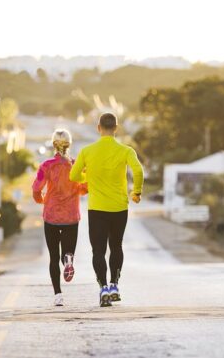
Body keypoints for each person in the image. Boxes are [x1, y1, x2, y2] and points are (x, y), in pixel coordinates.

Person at [70, 112, 144, 307]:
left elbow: (74, 175)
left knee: (98, 251)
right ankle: (114, 285)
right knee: (116, 246)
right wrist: (136, 192)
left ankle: (103, 288)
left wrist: (89, 178)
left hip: (97, 209)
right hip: (119, 207)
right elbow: (138, 171)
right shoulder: (126, 151)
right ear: (116, 129)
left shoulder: (87, 151)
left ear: (98, 128)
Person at [32, 129, 87, 306]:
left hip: (51, 216)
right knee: (67, 252)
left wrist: (42, 200)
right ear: (69, 144)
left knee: (53, 257)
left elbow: (36, 188)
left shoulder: (46, 165)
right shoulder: (76, 165)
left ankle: (58, 295)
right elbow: (86, 187)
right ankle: (69, 259)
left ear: (53, 144)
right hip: (71, 215)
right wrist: (76, 190)